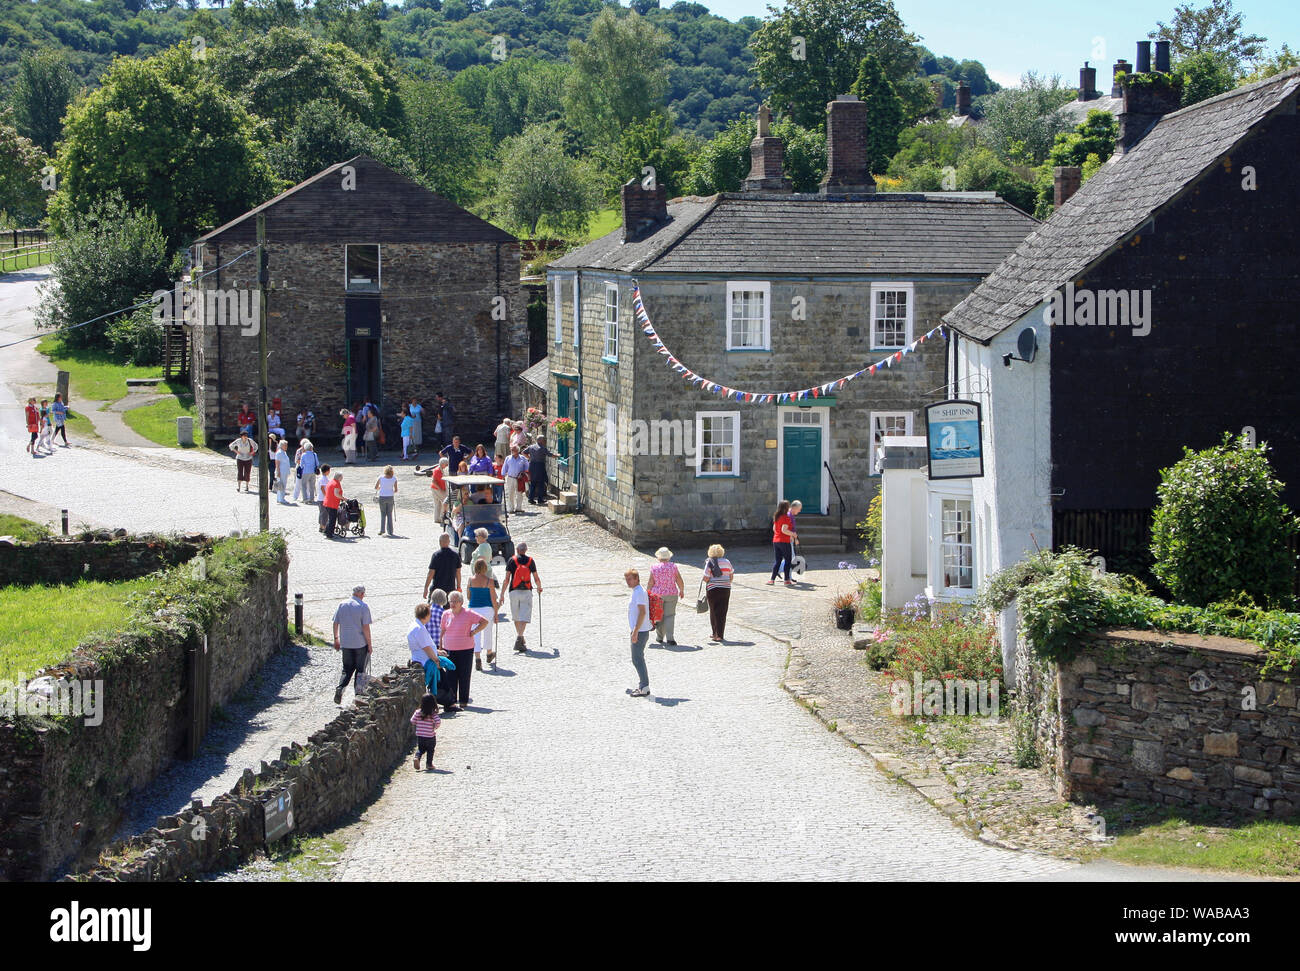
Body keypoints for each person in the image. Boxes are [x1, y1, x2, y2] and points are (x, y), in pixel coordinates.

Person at [440, 591, 488, 712]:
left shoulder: (468, 613)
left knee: (464, 674)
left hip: (465, 648)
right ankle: (451, 701)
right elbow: (443, 631)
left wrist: (475, 631)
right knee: (450, 675)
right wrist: (440, 647)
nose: (453, 604)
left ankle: (463, 700)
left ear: (461, 602)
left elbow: (484, 622)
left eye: (455, 601)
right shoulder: (446, 614)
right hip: (449, 649)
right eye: (451, 601)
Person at [332, 585, 373, 705]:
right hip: (360, 643)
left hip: (346, 643)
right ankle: (358, 696)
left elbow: (335, 623)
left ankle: (340, 688)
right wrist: (369, 644)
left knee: (346, 669)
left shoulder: (342, 604)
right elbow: (366, 627)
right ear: (361, 594)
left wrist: (336, 639)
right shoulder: (363, 607)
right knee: (360, 670)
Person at [504, 541, 541, 653]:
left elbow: (506, 579)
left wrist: (502, 594)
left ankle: (520, 637)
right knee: (524, 616)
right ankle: (520, 637)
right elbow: (536, 577)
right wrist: (539, 587)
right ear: (526, 550)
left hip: (514, 591)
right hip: (526, 591)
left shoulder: (511, 560)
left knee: (516, 616)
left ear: (517, 550)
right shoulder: (530, 561)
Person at [467, 556, 499, 669]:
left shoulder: (470, 580)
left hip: (474, 609)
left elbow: (468, 596)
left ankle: (477, 658)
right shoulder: (489, 581)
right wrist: (496, 614)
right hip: (487, 608)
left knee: (475, 632)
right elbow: (493, 599)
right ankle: (489, 653)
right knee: (488, 630)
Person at [625, 569, 653, 698]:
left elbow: (642, 612)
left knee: (637, 659)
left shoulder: (639, 593)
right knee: (637, 658)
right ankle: (643, 685)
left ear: (637, 579)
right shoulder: (637, 591)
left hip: (640, 630)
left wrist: (635, 631)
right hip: (639, 629)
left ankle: (644, 687)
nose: (628, 582)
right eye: (626, 579)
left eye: (630, 579)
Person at [649, 547, 685, 646]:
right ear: (668, 557)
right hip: (671, 593)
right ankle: (670, 638)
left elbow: (651, 582)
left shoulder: (654, 567)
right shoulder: (673, 566)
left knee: (659, 616)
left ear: (658, 557)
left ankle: (659, 637)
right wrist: (681, 590)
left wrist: (647, 593)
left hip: (657, 594)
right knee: (670, 616)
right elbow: (679, 580)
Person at [704, 544, 734, 643]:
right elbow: (731, 576)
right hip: (725, 589)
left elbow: (706, 577)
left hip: (712, 589)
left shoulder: (709, 562)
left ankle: (715, 634)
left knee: (713, 611)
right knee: (722, 611)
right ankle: (720, 635)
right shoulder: (727, 562)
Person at [408, 602, 441, 692]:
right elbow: (426, 647)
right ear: (426, 615)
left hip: (421, 659)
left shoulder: (416, 625)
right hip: (424, 662)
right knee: (440, 682)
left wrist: (437, 652)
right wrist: (436, 660)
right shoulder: (419, 628)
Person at [423, 532, 462, 601]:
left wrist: (426, 587)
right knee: (448, 611)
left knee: (434, 609)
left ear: (440, 542)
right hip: (450, 589)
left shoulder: (436, 555)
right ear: (449, 542)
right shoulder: (455, 555)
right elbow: (458, 572)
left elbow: (431, 573)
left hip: (437, 589)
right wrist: (458, 586)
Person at [411, 692, 441, 771]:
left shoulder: (418, 712)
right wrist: (435, 727)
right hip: (430, 736)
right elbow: (438, 722)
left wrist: (417, 724)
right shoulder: (433, 714)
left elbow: (412, 721)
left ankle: (417, 757)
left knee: (421, 749)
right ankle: (429, 764)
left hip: (420, 736)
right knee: (430, 750)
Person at [769, 500, 797, 586]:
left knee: (778, 561)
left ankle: (772, 579)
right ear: (786, 508)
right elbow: (784, 530)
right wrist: (793, 534)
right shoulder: (785, 517)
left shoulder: (776, 517)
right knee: (788, 561)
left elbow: (774, 529)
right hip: (784, 541)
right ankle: (786, 580)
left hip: (776, 541)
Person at [372, 464, 398, 536]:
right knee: (389, 514)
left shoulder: (381, 478)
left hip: (382, 497)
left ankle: (382, 530)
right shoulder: (394, 479)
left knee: (383, 514)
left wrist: (381, 487)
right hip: (390, 497)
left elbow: (376, 487)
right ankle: (390, 531)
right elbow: (396, 490)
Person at [502, 444, 528, 514]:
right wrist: (503, 476)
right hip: (510, 478)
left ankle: (519, 508)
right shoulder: (508, 458)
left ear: (517, 451)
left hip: (519, 479)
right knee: (510, 493)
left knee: (519, 493)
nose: (512, 451)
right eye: (511, 450)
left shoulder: (523, 458)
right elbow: (504, 467)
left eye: (513, 450)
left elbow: (527, 466)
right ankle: (511, 508)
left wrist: (524, 473)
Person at [525, 436, 550, 506]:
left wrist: (529, 458)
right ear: (541, 441)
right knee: (541, 483)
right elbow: (550, 454)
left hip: (532, 466)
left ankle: (531, 499)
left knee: (533, 483)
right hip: (540, 466)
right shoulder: (542, 448)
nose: (544, 441)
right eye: (544, 440)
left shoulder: (531, 447)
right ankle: (540, 499)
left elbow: (523, 452)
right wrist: (557, 455)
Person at [322, 471, 344, 537]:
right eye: (341, 477)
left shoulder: (331, 482)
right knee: (332, 519)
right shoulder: (336, 483)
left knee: (330, 518)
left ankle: (326, 531)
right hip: (332, 504)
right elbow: (336, 494)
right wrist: (343, 498)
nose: (342, 478)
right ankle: (329, 534)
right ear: (339, 477)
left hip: (327, 502)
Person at [430, 456, 450, 522]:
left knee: (438, 504)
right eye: (446, 464)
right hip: (436, 489)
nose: (447, 465)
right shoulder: (437, 470)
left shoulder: (442, 470)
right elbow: (434, 481)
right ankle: (442, 517)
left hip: (438, 488)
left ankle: (437, 518)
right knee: (445, 502)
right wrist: (440, 489)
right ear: (442, 464)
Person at [274, 440, 293, 504]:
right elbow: (277, 463)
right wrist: (278, 472)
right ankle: (280, 499)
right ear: (281, 446)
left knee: (283, 485)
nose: (286, 447)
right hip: (281, 471)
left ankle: (281, 498)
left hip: (284, 471)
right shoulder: (279, 453)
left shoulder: (284, 452)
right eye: (285, 445)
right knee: (280, 485)